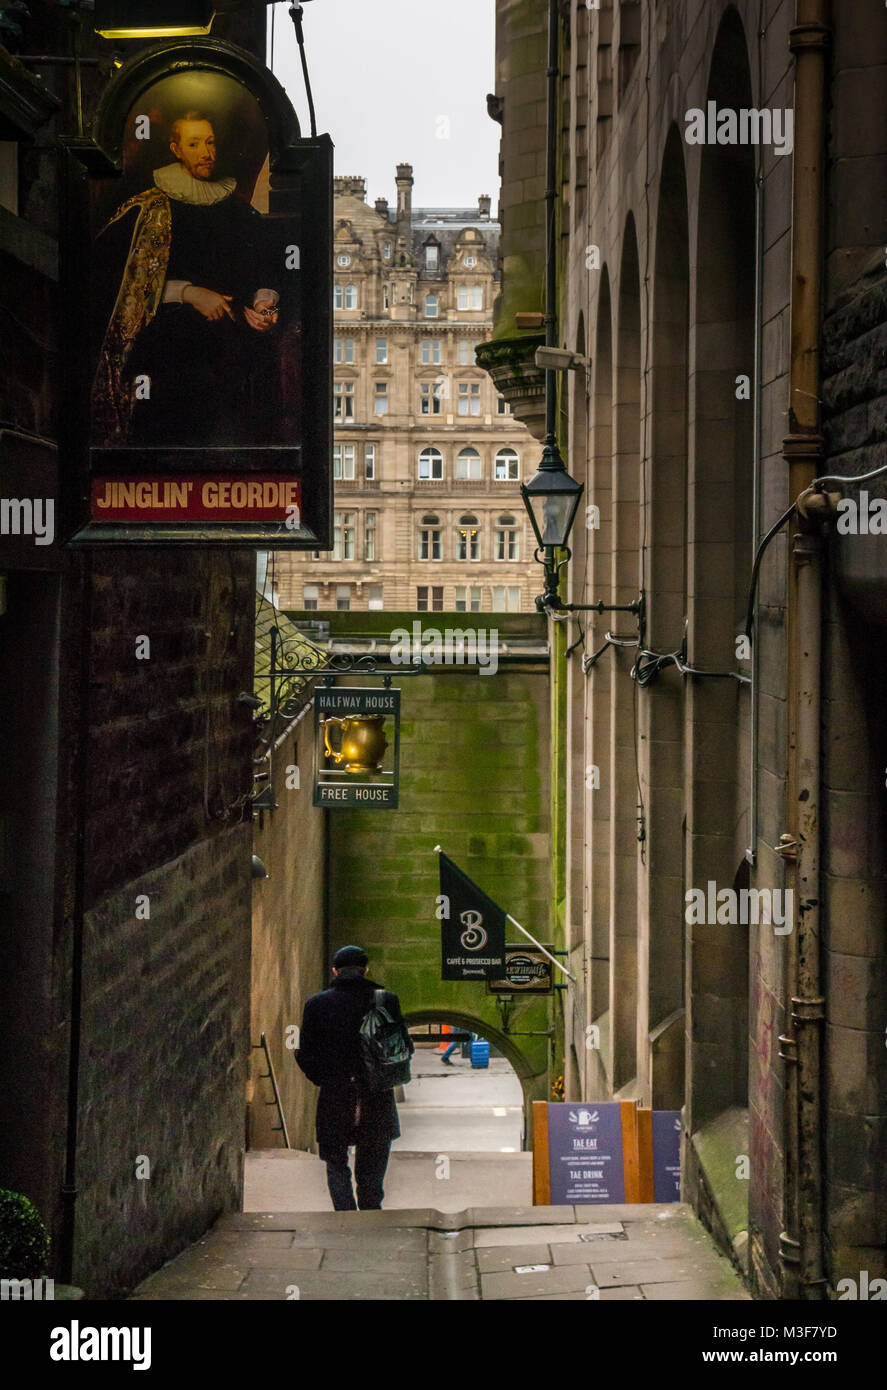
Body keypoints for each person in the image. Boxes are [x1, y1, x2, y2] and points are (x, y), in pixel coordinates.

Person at [91, 110, 282, 447]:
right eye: (194, 144)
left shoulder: (236, 210)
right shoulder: (149, 209)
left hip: (230, 356)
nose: (206, 152)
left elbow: (262, 271)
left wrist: (264, 303)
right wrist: (189, 293)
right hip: (167, 356)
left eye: (209, 142)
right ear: (177, 149)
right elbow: (120, 287)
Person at [296, 945, 414, 1212]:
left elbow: (307, 1053)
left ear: (335, 971)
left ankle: (345, 1215)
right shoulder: (386, 1000)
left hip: (336, 1094)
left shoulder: (317, 1004)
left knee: (336, 1162)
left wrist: (323, 1079)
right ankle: (370, 1212)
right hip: (376, 1093)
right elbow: (403, 1046)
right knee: (372, 1163)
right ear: (366, 970)